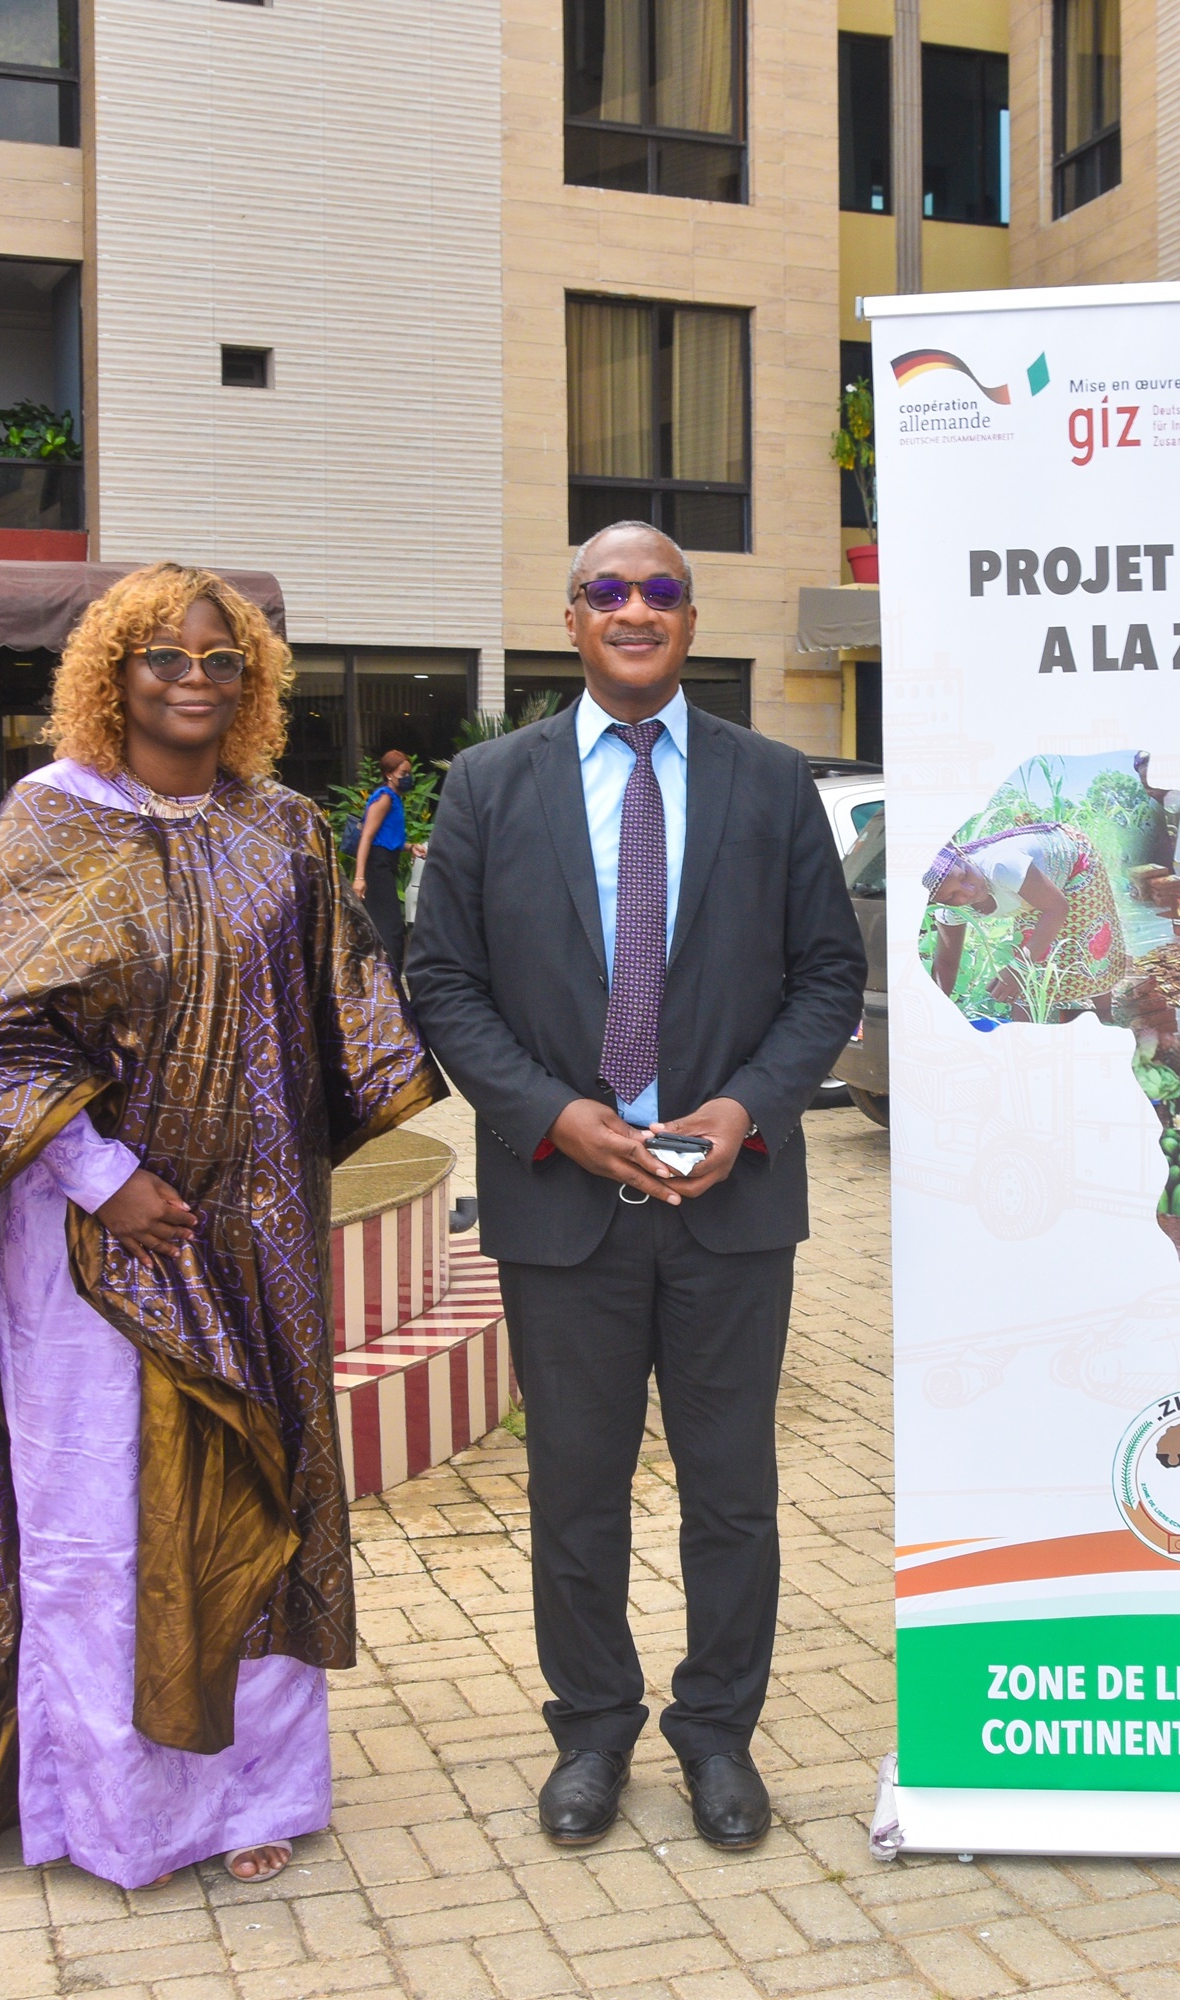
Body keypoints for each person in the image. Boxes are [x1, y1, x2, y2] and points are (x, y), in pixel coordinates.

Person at [0, 564, 440, 1897]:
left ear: (252, 680)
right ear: (114, 673)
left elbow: (336, 1020)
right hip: (93, 1246)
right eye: (164, 655)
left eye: (221, 659)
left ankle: (255, 1790)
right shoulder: (52, 822)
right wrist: (103, 1175)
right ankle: (123, 1811)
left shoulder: (282, 830)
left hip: (252, 1237)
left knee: (252, 1496)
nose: (193, 678)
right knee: (104, 1519)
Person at [408, 521, 867, 1852]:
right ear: (571, 618)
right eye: (607, 590)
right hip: (562, 1205)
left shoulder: (770, 781)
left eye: (661, 589)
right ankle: (594, 1732)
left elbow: (827, 974)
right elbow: (443, 980)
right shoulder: (490, 785)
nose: (635, 608)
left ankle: (718, 1734)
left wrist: (746, 1106)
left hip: (731, 1203)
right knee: (575, 1490)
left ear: (689, 618)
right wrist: (554, 1116)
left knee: (732, 1494)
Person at [922, 821, 1128, 1022]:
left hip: (1075, 861)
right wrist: (935, 1016)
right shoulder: (951, 912)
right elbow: (946, 964)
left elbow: (1057, 908)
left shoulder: (1002, 866)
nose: (969, 891)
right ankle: (1023, 1033)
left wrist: (1019, 967)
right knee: (1030, 962)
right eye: (952, 896)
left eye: (964, 876)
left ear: (962, 857)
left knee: (1091, 944)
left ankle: (1104, 1018)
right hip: (1032, 887)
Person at [351, 744, 419, 976]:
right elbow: (367, 837)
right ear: (389, 774)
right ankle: (387, 981)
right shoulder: (385, 798)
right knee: (390, 930)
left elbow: (387, 838)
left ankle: (386, 980)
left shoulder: (394, 798)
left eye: (409, 773)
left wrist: (410, 848)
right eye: (403, 774)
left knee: (389, 928)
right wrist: (359, 877)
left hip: (386, 863)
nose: (407, 778)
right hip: (377, 866)